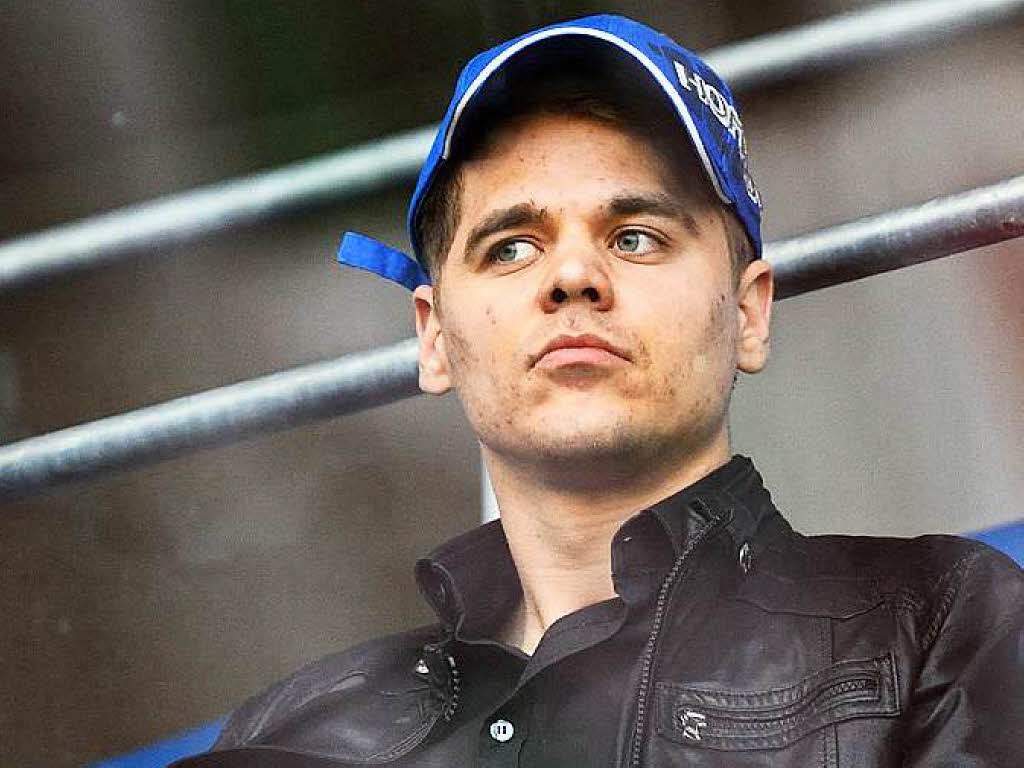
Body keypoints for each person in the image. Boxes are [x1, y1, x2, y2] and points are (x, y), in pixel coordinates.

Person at [173, 15, 1023, 768]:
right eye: (510, 246)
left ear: (749, 314)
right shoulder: (291, 732)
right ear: (433, 337)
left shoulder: (941, 626)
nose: (573, 274)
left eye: (636, 236)